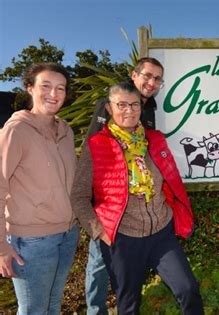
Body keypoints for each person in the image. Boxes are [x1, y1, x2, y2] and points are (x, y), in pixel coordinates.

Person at [71, 82, 204, 314]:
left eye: (134, 105)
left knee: (188, 288)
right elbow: (79, 196)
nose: (129, 111)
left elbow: (171, 181)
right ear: (110, 109)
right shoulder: (96, 145)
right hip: (123, 239)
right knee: (128, 304)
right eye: (121, 105)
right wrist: (98, 231)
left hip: (161, 233)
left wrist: (175, 214)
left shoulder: (155, 140)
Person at [84, 57, 164, 314]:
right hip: (108, 202)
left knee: (126, 270)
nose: (151, 83)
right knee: (99, 262)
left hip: (137, 207)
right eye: (147, 76)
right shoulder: (108, 104)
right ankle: (95, 310)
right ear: (134, 75)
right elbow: (91, 147)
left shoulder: (151, 109)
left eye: (157, 79)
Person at [0, 62, 79, 314]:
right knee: (34, 309)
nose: (53, 94)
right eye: (45, 86)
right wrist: (1, 245)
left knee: (53, 305)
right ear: (30, 88)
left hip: (67, 235)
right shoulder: (17, 130)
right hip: (32, 241)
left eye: (60, 88)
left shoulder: (66, 131)